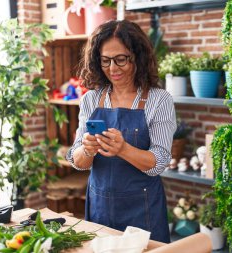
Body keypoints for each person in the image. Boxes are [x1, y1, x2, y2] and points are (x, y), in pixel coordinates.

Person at [66, 20, 176, 243]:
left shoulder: (159, 100)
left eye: (121, 59)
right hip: (100, 207)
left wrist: (123, 149)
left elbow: (160, 160)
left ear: (138, 56)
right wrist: (87, 150)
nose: (113, 69)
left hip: (143, 210)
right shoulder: (91, 99)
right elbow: (77, 161)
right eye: (105, 61)